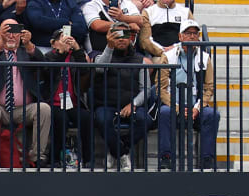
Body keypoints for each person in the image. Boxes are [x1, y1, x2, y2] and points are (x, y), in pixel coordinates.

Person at [0, 18, 51, 167]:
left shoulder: (26, 52)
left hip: (24, 110)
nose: (11, 35)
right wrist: (1, 42)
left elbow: (43, 64)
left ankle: (37, 157)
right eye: (7, 31)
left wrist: (29, 44)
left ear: (21, 34)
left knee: (44, 109)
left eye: (15, 31)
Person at [156, 18, 219, 170]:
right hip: (174, 106)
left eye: (195, 33)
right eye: (188, 33)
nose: (192, 36)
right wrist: (177, 107)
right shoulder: (168, 56)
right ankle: (166, 158)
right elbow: (161, 88)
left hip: (195, 108)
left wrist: (197, 108)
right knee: (164, 112)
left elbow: (209, 87)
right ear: (180, 36)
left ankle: (207, 159)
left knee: (212, 114)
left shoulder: (204, 58)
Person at [92, 21, 153, 171]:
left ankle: (116, 151)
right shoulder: (102, 56)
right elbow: (99, 68)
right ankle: (122, 153)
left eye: (125, 35)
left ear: (131, 38)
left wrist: (133, 104)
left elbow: (146, 90)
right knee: (101, 119)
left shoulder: (141, 61)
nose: (121, 39)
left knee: (145, 120)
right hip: (106, 104)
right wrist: (109, 47)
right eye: (116, 35)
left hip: (130, 105)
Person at [44, 27, 93, 167]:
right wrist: (60, 53)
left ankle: (88, 160)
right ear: (53, 43)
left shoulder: (74, 56)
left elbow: (84, 71)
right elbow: (48, 73)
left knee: (86, 118)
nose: (66, 40)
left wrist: (77, 49)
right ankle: (54, 159)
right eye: (61, 38)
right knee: (61, 120)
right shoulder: (49, 56)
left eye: (68, 37)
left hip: (73, 103)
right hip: (53, 103)